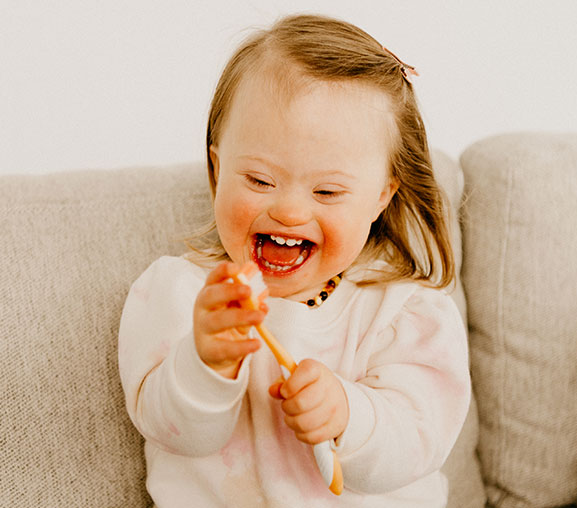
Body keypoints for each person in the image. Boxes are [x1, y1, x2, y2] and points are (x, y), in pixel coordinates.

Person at [118, 13, 470, 507]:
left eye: (327, 190)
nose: (288, 211)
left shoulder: (402, 312)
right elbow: (172, 431)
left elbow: (420, 440)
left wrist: (351, 413)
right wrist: (207, 363)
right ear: (219, 169)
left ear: (380, 198)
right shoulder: (182, 296)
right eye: (260, 181)